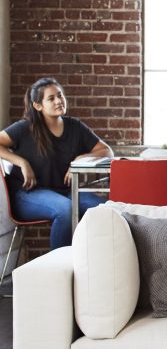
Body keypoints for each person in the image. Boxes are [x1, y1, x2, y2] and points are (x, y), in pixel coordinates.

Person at [0, 77, 114, 249]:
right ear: (38, 106)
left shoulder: (75, 127)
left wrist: (80, 158)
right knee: (65, 210)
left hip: (65, 192)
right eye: (51, 98)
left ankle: (94, 262)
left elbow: (106, 151)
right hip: (27, 194)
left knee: (106, 208)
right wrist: (22, 162)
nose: (59, 101)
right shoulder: (24, 128)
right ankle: (60, 267)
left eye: (60, 96)